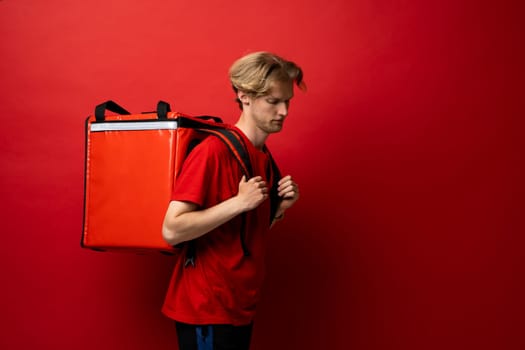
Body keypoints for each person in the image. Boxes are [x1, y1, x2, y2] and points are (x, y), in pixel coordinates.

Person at [161, 51, 305, 350]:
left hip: (239, 305)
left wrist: (279, 211)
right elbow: (172, 229)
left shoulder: (262, 156)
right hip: (206, 308)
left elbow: (243, 235)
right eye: (274, 101)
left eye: (287, 101)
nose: (284, 111)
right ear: (245, 96)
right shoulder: (214, 151)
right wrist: (238, 203)